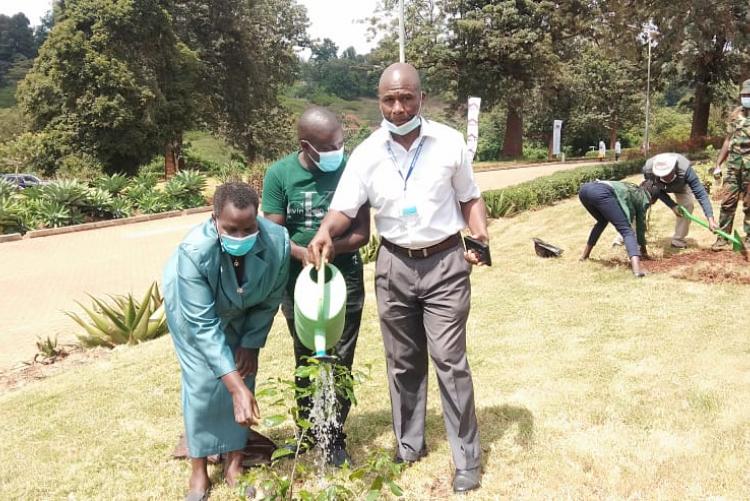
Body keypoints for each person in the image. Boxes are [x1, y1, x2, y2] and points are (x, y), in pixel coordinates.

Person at [307, 63, 488, 494]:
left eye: (407, 97)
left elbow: (470, 197)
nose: (398, 107)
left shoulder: (448, 142)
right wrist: (323, 231)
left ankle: (467, 458)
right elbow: (344, 208)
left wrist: (479, 234)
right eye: (389, 99)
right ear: (379, 100)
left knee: (449, 360)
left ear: (421, 98)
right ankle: (410, 444)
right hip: (393, 265)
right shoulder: (367, 152)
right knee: (403, 363)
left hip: (445, 262)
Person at [163, 182, 290, 501]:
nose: (239, 236)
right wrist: (234, 388)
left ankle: (235, 464)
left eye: (248, 228)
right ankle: (199, 472)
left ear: (257, 218)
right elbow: (203, 326)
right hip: (194, 317)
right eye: (230, 229)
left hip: (245, 312)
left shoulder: (277, 242)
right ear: (214, 218)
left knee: (244, 371)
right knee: (203, 384)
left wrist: (250, 342)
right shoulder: (193, 252)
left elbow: (270, 297)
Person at [261, 107, 370, 467]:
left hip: (344, 281)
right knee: (305, 353)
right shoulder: (280, 174)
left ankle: (336, 435)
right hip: (298, 283)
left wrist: (331, 249)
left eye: (340, 142)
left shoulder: (351, 168)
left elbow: (362, 233)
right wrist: (302, 254)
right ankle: (307, 431)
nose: (338, 150)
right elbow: (274, 232)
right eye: (330, 146)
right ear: (306, 146)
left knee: (339, 357)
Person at [579, 179, 661, 277]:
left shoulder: (634, 190)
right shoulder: (644, 197)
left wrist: (644, 251)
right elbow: (640, 227)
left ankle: (584, 256)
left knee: (602, 221)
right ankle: (637, 270)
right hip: (601, 192)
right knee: (627, 230)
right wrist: (644, 251)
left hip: (585, 190)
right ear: (652, 198)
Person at [642, 152, 717, 249]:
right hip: (658, 187)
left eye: (668, 173)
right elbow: (656, 191)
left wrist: (710, 219)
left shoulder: (685, 169)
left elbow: (701, 194)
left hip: (681, 186)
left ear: (674, 168)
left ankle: (678, 240)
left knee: (688, 204)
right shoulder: (648, 171)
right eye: (662, 174)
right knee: (640, 203)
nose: (665, 177)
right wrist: (672, 205)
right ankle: (629, 236)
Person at [711, 79, 750, 251]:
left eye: (749, 95)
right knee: (727, 201)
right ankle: (722, 238)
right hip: (734, 168)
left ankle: (749, 238)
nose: (746, 97)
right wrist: (718, 163)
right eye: (744, 95)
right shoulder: (735, 116)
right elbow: (728, 141)